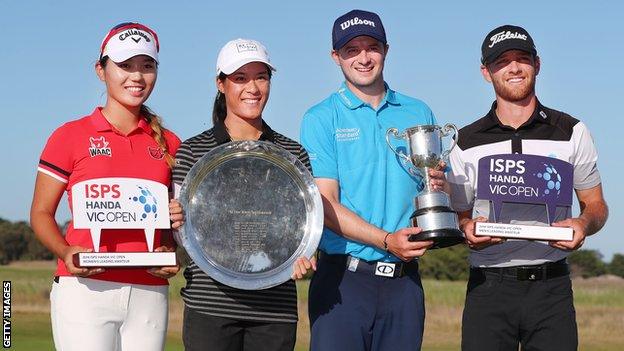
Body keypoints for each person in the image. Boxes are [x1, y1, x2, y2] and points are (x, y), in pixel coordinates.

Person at [447, 25, 609, 351]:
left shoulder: (572, 131)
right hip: (489, 287)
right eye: (501, 61)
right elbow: (459, 217)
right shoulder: (464, 142)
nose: (514, 68)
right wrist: (466, 228)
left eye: (522, 58)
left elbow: (596, 206)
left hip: (552, 288)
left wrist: (582, 224)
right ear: (485, 72)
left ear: (537, 63)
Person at [299, 9, 449, 351]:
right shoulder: (321, 117)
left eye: (372, 47)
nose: (363, 58)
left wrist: (441, 185)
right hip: (343, 283)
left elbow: (440, 185)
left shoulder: (418, 112)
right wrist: (385, 240)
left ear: (386, 50)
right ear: (335, 57)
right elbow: (326, 203)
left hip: (404, 282)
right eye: (352, 50)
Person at [30, 22, 183, 351]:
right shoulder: (69, 136)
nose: (137, 77)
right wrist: (66, 251)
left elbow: (175, 225)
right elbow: (41, 213)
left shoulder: (171, 143)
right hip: (84, 289)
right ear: (101, 70)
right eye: (125, 66)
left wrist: (172, 251)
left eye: (147, 66)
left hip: (149, 291)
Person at [173, 38, 315, 351]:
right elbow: (185, 236)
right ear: (220, 84)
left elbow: (298, 227)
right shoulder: (192, 152)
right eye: (240, 78)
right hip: (209, 307)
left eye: (261, 77)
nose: (252, 87)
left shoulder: (293, 154)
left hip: (274, 310)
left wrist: (305, 252)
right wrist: (173, 220)